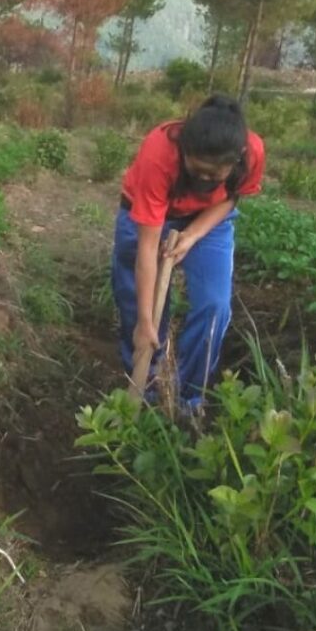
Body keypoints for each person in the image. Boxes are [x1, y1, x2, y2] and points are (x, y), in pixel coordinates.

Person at [112, 94, 265, 408]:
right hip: (147, 217)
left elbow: (231, 196)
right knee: (138, 305)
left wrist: (193, 234)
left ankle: (188, 398)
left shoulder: (252, 153)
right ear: (184, 152)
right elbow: (148, 247)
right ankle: (146, 387)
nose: (204, 180)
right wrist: (145, 321)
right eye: (197, 170)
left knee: (215, 306)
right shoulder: (159, 153)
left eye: (214, 175)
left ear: (236, 159)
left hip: (209, 220)